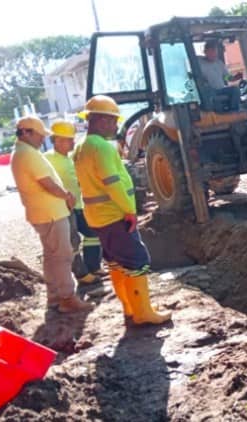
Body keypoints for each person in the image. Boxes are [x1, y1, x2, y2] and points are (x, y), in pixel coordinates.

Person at [74, 95, 171, 325]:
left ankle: (131, 307)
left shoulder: (81, 147)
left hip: (97, 217)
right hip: (115, 215)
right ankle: (143, 313)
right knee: (136, 261)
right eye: (113, 120)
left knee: (116, 262)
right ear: (101, 120)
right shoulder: (102, 148)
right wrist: (129, 210)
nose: (116, 126)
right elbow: (113, 182)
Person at [10, 116, 93, 313]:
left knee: (51, 256)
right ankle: (67, 297)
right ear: (26, 133)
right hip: (51, 213)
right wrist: (66, 195)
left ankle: (55, 296)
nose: (42, 140)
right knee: (62, 256)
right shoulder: (28, 154)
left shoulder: (23, 152)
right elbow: (46, 182)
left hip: (44, 213)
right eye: (39, 136)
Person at [44, 120, 104, 284]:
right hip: (62, 208)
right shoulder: (48, 159)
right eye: (70, 139)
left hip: (78, 205)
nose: (73, 142)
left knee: (93, 233)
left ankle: (93, 266)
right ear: (57, 140)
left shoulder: (70, 157)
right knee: (72, 241)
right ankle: (82, 275)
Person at [198, 39, 243, 111]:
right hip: (209, 90)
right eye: (211, 51)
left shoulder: (219, 63)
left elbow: (226, 77)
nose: (214, 54)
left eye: (215, 51)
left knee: (235, 90)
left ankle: (233, 111)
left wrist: (234, 78)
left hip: (221, 89)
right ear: (205, 52)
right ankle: (213, 112)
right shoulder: (199, 62)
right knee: (208, 92)